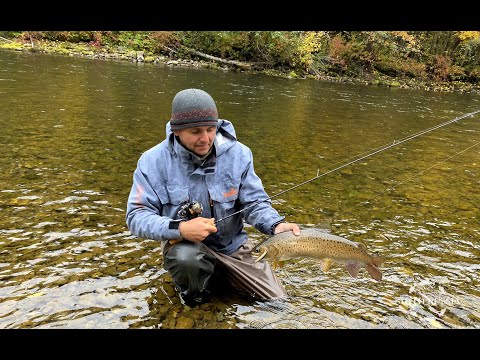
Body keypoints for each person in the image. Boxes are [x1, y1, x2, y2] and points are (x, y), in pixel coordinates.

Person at [126, 88, 300, 306]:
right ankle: (196, 299)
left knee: (277, 302)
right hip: (185, 246)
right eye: (196, 131)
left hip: (233, 247)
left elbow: (255, 203)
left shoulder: (240, 154)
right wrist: (180, 229)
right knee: (186, 262)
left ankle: (222, 277)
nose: (206, 138)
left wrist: (275, 225)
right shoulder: (152, 162)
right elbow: (136, 216)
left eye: (210, 129)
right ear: (176, 130)